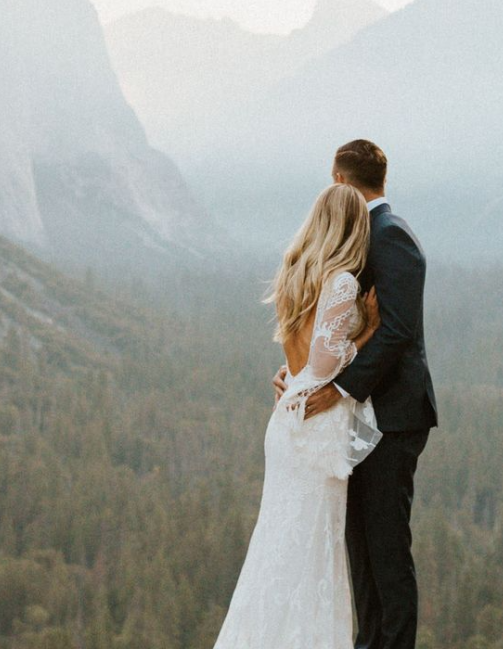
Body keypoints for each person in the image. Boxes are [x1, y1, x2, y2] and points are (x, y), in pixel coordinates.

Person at [274, 138, 438, 649]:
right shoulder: (364, 235)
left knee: (387, 551)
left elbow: (398, 332)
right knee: (360, 549)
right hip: (356, 418)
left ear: (341, 181)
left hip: (392, 417)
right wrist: (302, 377)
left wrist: (338, 388)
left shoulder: (391, 237)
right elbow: (338, 328)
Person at [213, 182, 383, 648]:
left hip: (288, 415)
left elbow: (298, 357)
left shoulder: (296, 271)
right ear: (353, 228)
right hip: (317, 422)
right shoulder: (343, 281)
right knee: (313, 546)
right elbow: (325, 363)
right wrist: (367, 333)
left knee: (278, 544)